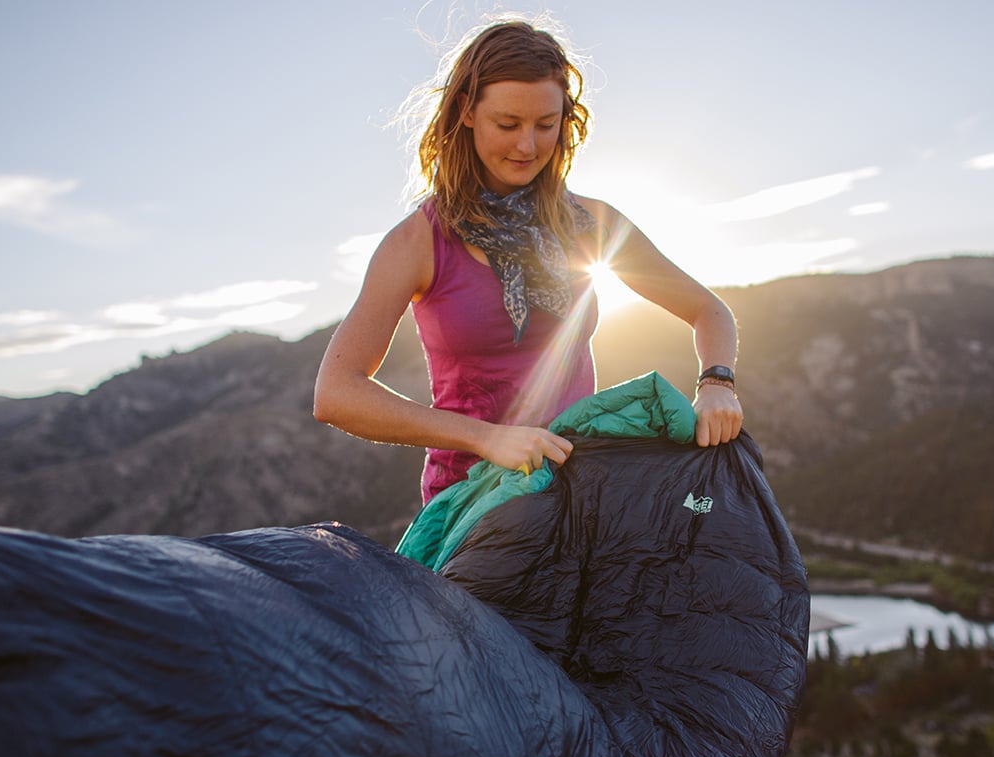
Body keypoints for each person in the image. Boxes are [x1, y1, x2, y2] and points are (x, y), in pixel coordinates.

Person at [314, 18, 742, 503]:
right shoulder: (417, 243)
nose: (528, 146)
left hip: (581, 489)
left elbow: (709, 311)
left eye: (546, 125)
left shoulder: (591, 222)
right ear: (467, 112)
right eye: (508, 124)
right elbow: (336, 393)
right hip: (470, 503)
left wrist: (717, 382)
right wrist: (485, 437)